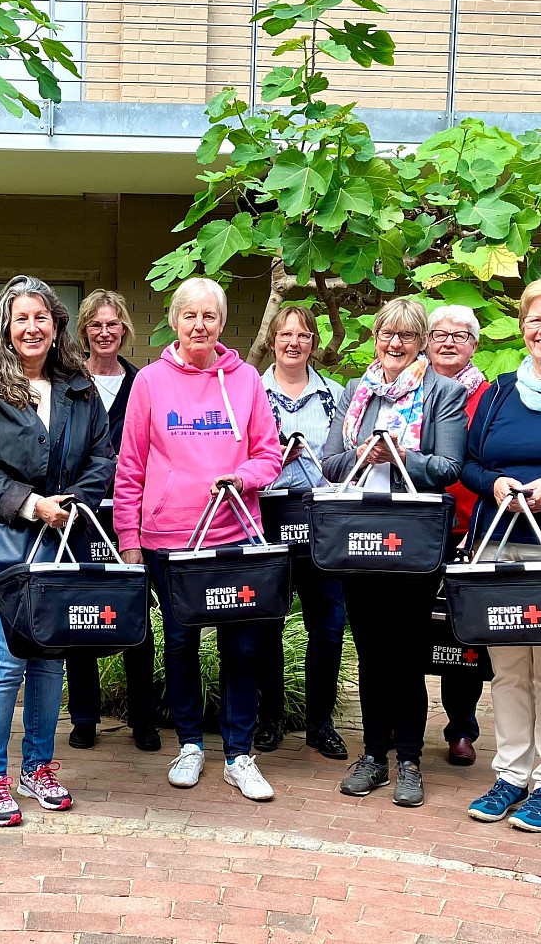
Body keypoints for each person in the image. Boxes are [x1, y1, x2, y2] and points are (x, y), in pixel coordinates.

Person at [0, 275, 114, 827]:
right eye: (21, 319)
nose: (31, 327)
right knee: (7, 660)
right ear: (6, 328)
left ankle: (38, 768)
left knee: (50, 661)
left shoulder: (80, 387)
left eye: (41, 317)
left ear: (56, 324)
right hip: (2, 538)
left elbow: (102, 457)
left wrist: (73, 503)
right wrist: (31, 503)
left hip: (64, 537)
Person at [114, 277, 282, 798]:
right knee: (182, 643)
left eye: (209, 316)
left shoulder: (248, 379)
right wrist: (129, 537)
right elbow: (131, 466)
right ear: (174, 321)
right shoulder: (149, 382)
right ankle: (189, 744)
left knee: (242, 647)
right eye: (190, 316)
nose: (199, 325)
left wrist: (244, 479)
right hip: (170, 538)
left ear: (222, 323)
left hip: (233, 538)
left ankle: (238, 754)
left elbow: (269, 456)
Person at [322, 297, 466, 809]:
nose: (395, 344)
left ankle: (408, 759)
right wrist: (365, 452)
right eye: (387, 334)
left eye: (406, 336)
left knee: (405, 653)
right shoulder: (356, 392)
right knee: (370, 651)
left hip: (413, 541)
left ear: (421, 340)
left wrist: (403, 455)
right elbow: (330, 462)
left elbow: (449, 467)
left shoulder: (442, 392)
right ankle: (374, 754)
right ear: (376, 337)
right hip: (360, 537)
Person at [64, 290, 159, 753]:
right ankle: (84, 718)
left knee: (134, 615)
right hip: (79, 514)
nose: (105, 333)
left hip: (129, 515)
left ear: (125, 330)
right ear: (84, 330)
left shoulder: (141, 383)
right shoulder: (68, 382)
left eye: (113, 325)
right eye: (96, 325)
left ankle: (144, 718)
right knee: (80, 617)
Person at [464, 280, 541, 832]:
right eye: (536, 319)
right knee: (510, 669)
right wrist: (494, 485)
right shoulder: (497, 394)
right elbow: (468, 464)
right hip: (502, 544)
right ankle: (512, 775)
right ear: (522, 326)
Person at [255, 306, 348, 760]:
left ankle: (320, 722)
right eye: (285, 334)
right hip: (266, 515)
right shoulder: (251, 391)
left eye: (304, 335)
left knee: (328, 626)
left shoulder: (336, 394)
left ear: (314, 342)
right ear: (273, 339)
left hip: (320, 517)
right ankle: (269, 717)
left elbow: (343, 459)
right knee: (267, 622)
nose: (294, 342)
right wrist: (277, 462)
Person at [426, 304, 490, 767]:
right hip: (413, 526)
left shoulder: (488, 397)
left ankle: (461, 727)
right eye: (440, 333)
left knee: (462, 633)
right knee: (408, 626)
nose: (448, 342)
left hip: (467, 528)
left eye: (460, 335)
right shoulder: (408, 387)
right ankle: (397, 718)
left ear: (475, 345)